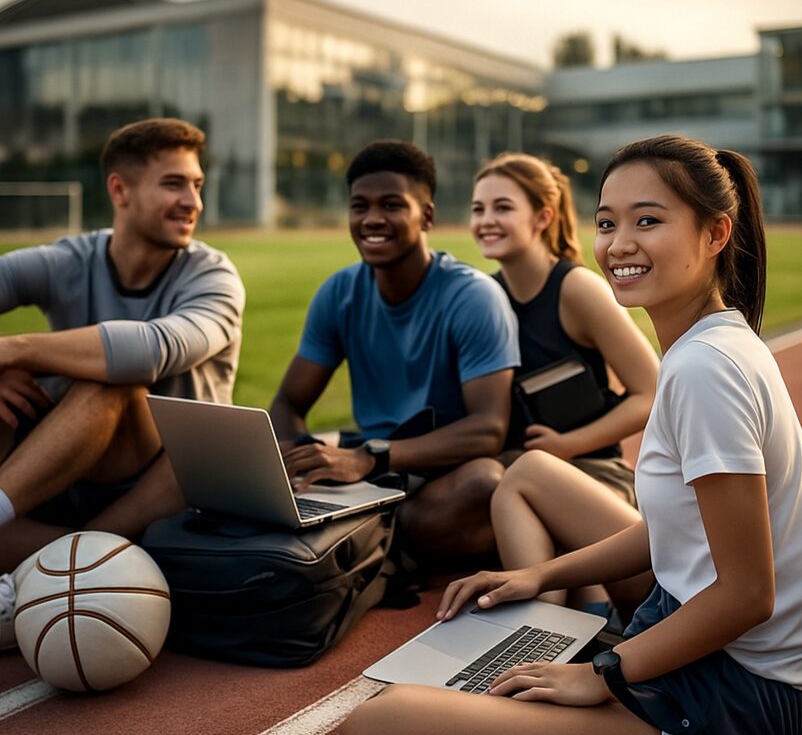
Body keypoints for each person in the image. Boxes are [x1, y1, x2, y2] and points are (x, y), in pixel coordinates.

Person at [343, 135, 802, 735]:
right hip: (709, 652)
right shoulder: (712, 344)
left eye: (648, 220)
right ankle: (570, 626)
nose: (619, 244)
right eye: (607, 223)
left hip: (738, 690)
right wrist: (540, 575)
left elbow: (746, 595)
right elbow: (676, 531)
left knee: (382, 719)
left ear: (716, 234)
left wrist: (603, 673)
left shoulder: (704, 368)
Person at [0, 118, 245, 647]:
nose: (193, 202)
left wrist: (13, 351)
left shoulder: (214, 277)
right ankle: (70, 571)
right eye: (174, 184)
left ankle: (55, 570)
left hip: (174, 489)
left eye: (197, 185)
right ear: (120, 190)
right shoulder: (69, 260)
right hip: (70, 477)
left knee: (113, 382)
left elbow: (151, 351)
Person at [269, 140, 519, 558]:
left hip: (440, 470)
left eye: (391, 205)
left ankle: (369, 540)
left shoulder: (474, 297)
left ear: (427, 216)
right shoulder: (339, 292)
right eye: (359, 206)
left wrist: (370, 457)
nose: (372, 219)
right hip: (369, 470)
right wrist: (295, 460)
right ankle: (370, 538)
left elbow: (488, 429)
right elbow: (289, 401)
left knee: (485, 484)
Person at [470, 153, 658, 620]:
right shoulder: (483, 298)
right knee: (509, 483)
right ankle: (556, 630)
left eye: (502, 207)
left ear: (543, 217)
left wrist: (567, 444)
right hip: (523, 476)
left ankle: (555, 627)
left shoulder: (576, 289)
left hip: (595, 475)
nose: (486, 220)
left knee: (524, 478)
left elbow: (652, 392)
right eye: (478, 209)